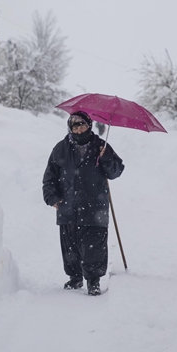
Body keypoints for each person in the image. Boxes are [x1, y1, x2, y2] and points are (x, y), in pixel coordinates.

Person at [42, 111, 125, 296]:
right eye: (75, 125)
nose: (79, 128)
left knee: (94, 245)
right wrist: (52, 197)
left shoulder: (101, 146)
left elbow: (116, 171)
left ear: (90, 125)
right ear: (70, 128)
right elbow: (49, 177)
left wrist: (106, 158)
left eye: (82, 124)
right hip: (68, 206)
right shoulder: (60, 149)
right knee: (70, 246)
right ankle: (75, 277)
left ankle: (93, 281)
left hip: (95, 206)